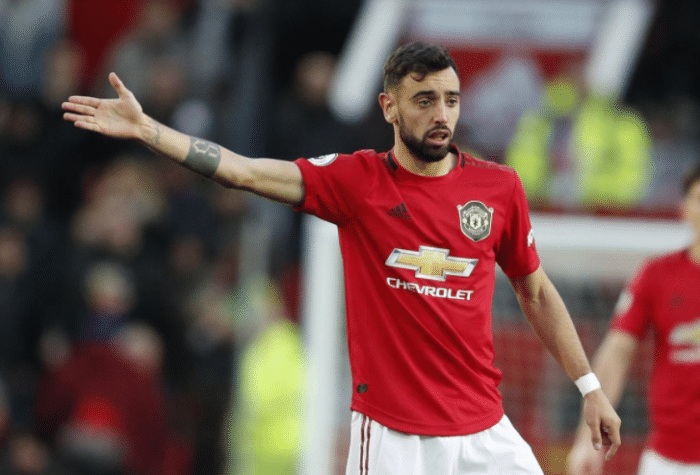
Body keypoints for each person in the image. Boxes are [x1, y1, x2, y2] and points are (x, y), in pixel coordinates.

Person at [62, 41, 620, 474]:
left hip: (484, 431)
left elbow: (536, 291)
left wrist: (590, 387)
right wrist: (148, 130)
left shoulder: (498, 189)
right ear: (389, 107)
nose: (441, 114)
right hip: (395, 439)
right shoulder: (357, 182)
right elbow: (245, 172)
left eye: (451, 100)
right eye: (424, 101)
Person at [566, 163, 700, 475]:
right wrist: (589, 439)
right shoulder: (657, 275)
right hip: (666, 461)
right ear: (684, 209)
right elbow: (616, 354)